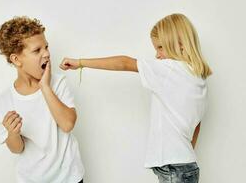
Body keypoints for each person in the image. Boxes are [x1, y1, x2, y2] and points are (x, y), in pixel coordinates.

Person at [60, 13, 212, 183]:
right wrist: (182, 153)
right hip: (187, 165)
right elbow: (197, 124)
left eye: (160, 47)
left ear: (180, 44)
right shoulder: (197, 77)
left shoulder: (170, 70)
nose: (157, 55)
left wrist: (80, 62)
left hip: (173, 169)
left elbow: (124, 63)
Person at [0, 16, 84, 183]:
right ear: (16, 59)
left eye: (46, 47)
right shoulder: (5, 101)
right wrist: (13, 133)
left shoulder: (57, 83)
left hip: (69, 176)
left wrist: (45, 87)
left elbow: (68, 124)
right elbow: (17, 148)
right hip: (32, 179)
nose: (47, 54)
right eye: (37, 50)